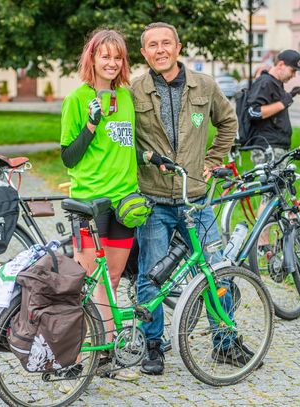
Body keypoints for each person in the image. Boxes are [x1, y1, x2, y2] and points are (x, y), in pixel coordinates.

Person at [131, 22, 239, 375]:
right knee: (151, 276)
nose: (160, 50)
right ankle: (153, 345)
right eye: (152, 45)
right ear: (144, 53)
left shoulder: (204, 85)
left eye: (166, 43)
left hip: (195, 199)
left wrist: (214, 159)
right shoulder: (134, 91)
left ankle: (225, 342)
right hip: (153, 201)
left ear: (178, 47)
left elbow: (228, 122)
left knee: (217, 272)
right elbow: (122, 140)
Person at [60, 29, 139, 381]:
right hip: (89, 204)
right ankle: (74, 357)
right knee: (88, 283)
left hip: (124, 202)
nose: (112, 62)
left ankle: (105, 356)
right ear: (91, 58)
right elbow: (69, 157)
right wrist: (91, 124)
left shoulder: (127, 98)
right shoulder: (76, 99)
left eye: (118, 57)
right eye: (105, 56)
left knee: (114, 280)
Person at [246, 49, 300, 164]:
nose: (294, 75)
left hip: (278, 147)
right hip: (267, 148)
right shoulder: (265, 82)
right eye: (292, 70)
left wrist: (290, 96)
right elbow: (253, 112)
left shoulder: (276, 84)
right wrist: (283, 103)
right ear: (281, 65)